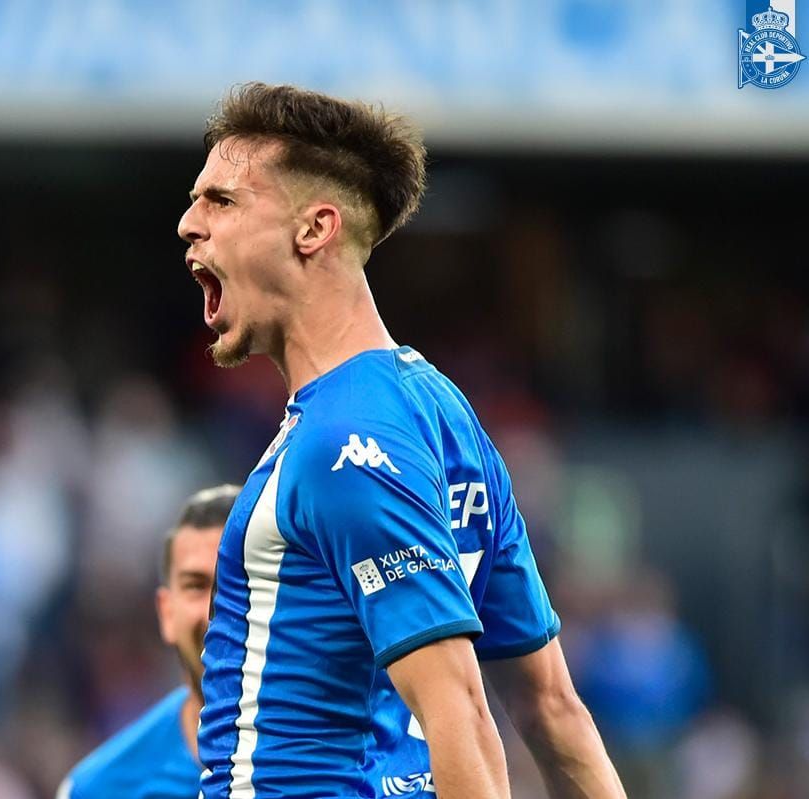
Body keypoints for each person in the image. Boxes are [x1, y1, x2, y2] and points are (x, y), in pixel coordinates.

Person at [177, 83, 626, 799]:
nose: (188, 224)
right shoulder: (440, 410)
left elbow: (462, 708)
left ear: (313, 229)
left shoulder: (345, 438)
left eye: (221, 201)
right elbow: (550, 707)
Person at [56, 484, 240, 799]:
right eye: (196, 585)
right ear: (167, 613)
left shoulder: (347, 756)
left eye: (234, 580)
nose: (214, 609)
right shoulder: (100, 790)